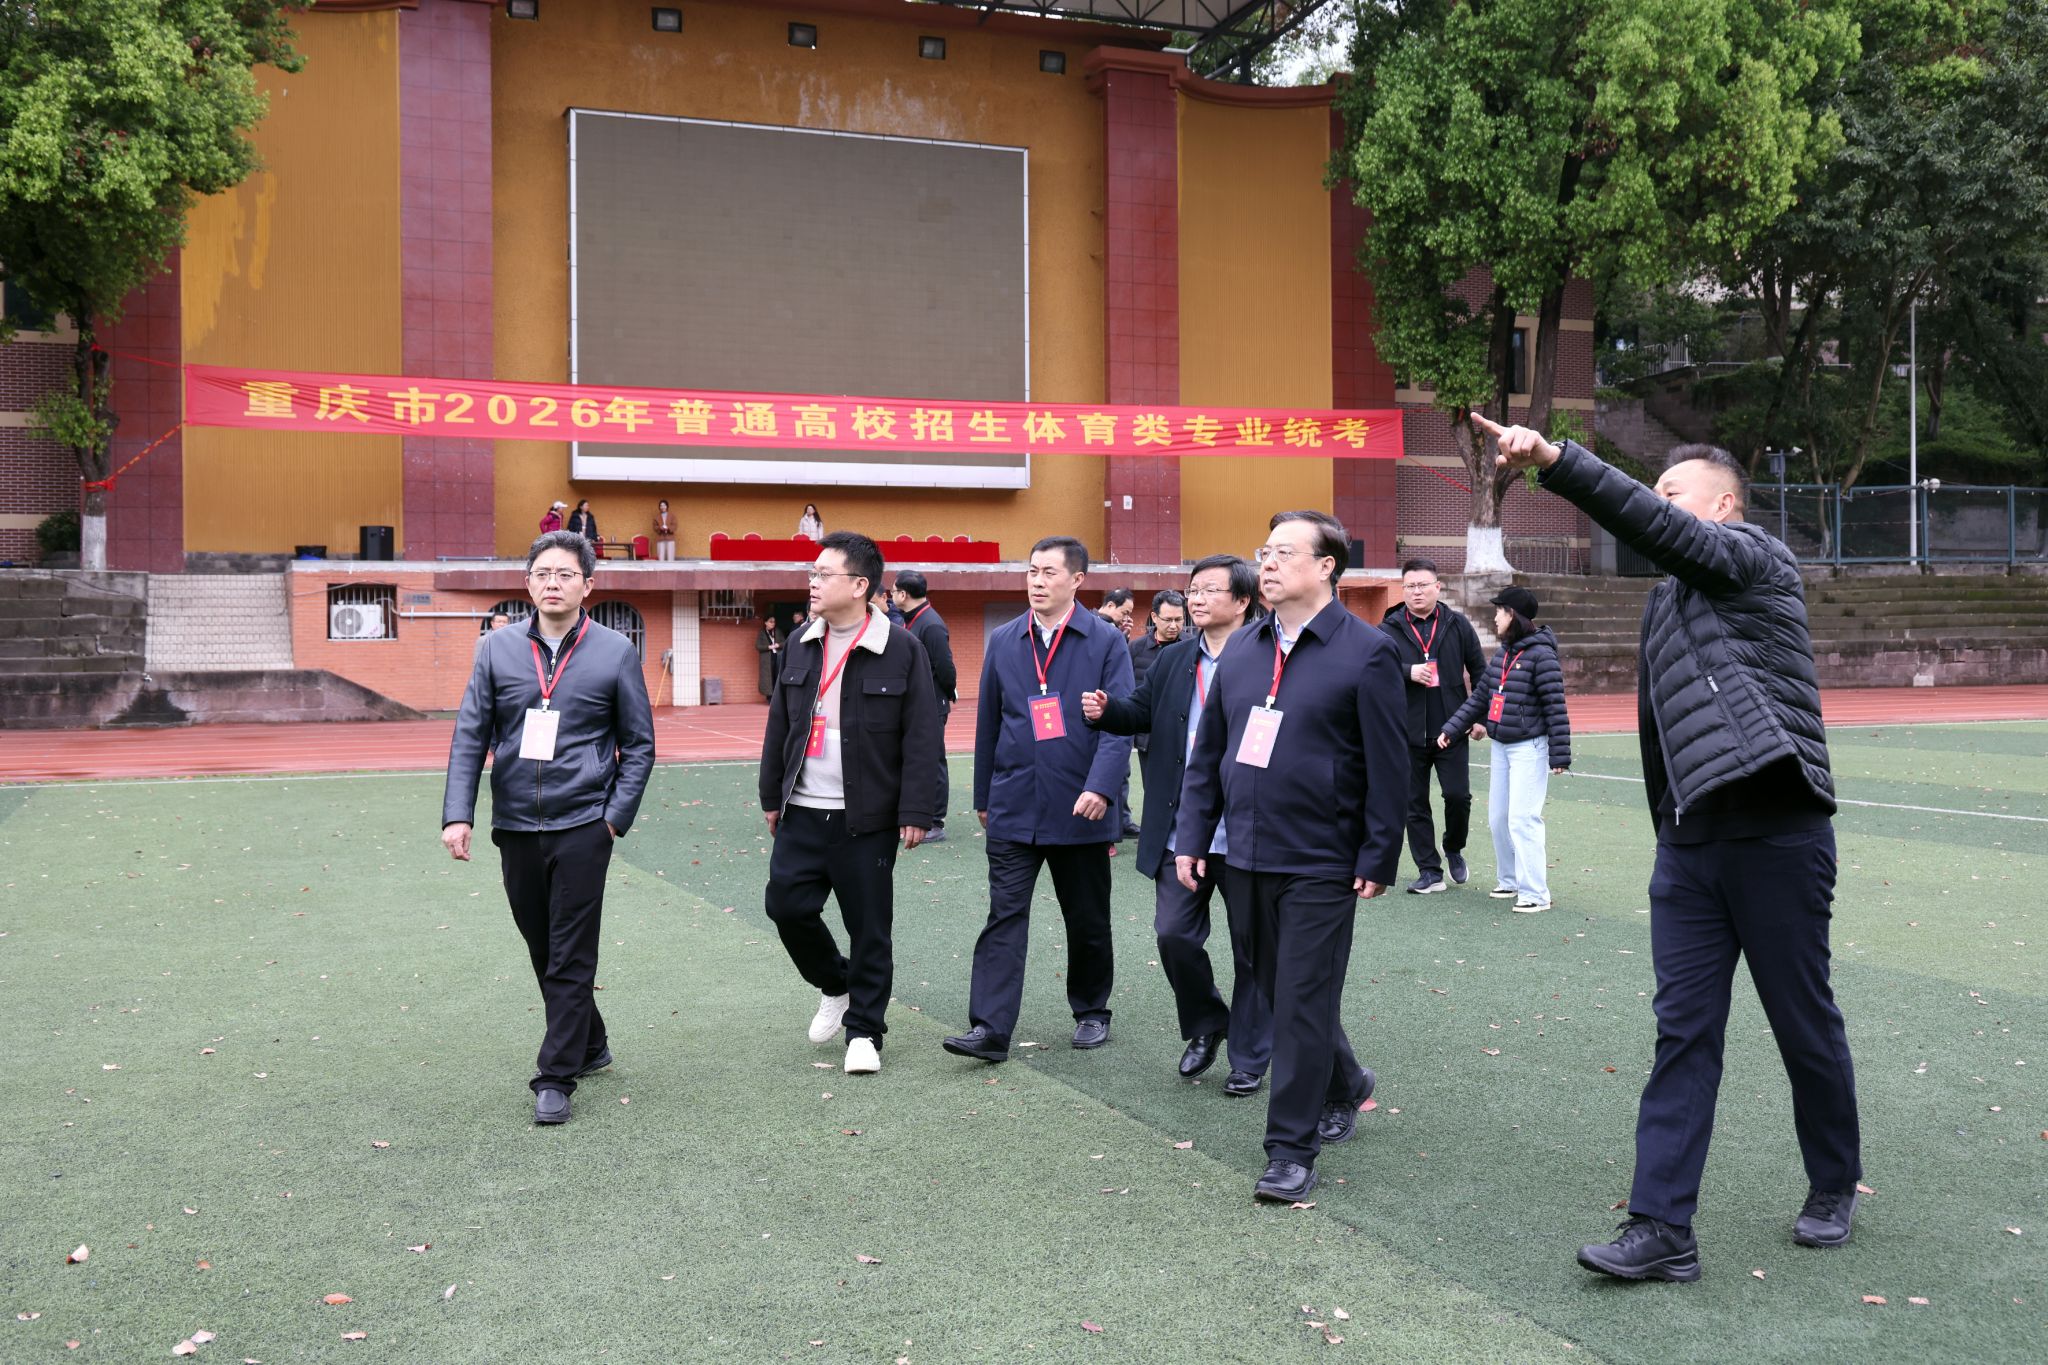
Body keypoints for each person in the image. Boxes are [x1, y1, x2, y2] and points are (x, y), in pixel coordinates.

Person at [1475, 413, 1862, 1283]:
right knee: (1683, 1033)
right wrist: (1669, 836)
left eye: (1672, 492)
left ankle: (1834, 1181)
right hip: (1691, 849)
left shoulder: (1758, 558)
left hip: (1777, 834)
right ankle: (1661, 1227)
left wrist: (1557, 461)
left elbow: (1662, 531)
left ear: (1723, 505)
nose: (1659, 505)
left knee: (1803, 1022)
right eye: (1657, 493)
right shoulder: (1666, 601)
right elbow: (1662, 733)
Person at [1175, 510, 1406, 1203]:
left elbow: (1389, 765)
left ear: (1326, 566)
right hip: (1244, 853)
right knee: (1281, 994)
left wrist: (1378, 853)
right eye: (1264, 552)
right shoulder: (1244, 648)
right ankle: (1346, 1081)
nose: (1267, 564)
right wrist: (1193, 835)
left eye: (1283, 552)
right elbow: (1209, 754)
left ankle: (1290, 1150)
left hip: (1322, 858)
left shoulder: (1367, 651)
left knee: (1303, 997)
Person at [440, 530, 656, 1126]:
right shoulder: (496, 649)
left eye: (565, 574)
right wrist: (459, 813)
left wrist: (613, 819)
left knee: (571, 951)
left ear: (588, 585)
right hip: (515, 824)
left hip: (584, 823)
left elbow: (639, 745)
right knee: (542, 944)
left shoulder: (615, 651)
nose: (553, 583)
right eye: (542, 573)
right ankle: (591, 1041)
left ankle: (556, 1075)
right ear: (527, 583)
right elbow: (470, 735)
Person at [758, 531, 945, 1075]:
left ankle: (865, 1031)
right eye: (812, 573)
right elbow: (779, 725)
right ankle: (835, 984)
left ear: (860, 585)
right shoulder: (801, 642)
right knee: (786, 908)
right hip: (802, 808)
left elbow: (922, 735)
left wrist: (917, 810)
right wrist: (772, 794)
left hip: (867, 818)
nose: (812, 583)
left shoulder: (901, 648)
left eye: (824, 574)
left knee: (869, 927)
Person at [942, 536, 1134, 1063]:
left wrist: (1102, 787)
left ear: (1077, 580)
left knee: (1086, 918)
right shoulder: (1005, 639)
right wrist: (984, 795)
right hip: (1014, 804)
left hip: (1080, 806)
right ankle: (989, 1028)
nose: (1038, 581)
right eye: (1032, 571)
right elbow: (988, 723)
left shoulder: (1105, 641)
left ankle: (1091, 1010)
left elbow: (1119, 722)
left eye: (1050, 572)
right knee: (1004, 916)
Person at [1083, 555, 1270, 1094]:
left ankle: (1250, 1055)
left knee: (1253, 948)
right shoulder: (1174, 657)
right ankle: (1208, 1022)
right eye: (1193, 589)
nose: (1197, 598)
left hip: (1247, 830)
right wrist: (1106, 710)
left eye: (1211, 589)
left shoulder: (1269, 657)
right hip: (1181, 828)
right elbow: (1140, 711)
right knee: (1173, 935)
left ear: (1243, 600)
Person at [1437, 585, 1570, 912]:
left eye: (1500, 611)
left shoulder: (1542, 655)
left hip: (1530, 747)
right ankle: (1510, 880)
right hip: (1502, 745)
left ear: (1515, 616)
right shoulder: (1504, 654)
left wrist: (1559, 754)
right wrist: (1451, 729)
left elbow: (1555, 706)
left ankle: (1536, 893)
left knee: (1523, 818)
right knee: (1498, 818)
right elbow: (1480, 698)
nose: (1495, 617)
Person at [1379, 558, 1486, 894]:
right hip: (1405, 731)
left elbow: (1480, 672)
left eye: (1423, 585)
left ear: (1437, 587)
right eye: (1410, 586)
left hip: (1451, 729)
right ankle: (1429, 870)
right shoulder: (1388, 628)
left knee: (1458, 796)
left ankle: (1453, 846)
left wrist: (1479, 717)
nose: (1417, 592)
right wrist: (1407, 671)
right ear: (1403, 589)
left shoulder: (1457, 624)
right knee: (1414, 804)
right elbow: (1373, 670)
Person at [893, 569, 958, 844]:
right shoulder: (911, 620)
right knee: (913, 758)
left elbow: (945, 667)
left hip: (932, 703)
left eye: (893, 591)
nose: (891, 595)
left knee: (933, 760)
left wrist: (946, 694)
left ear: (903, 594)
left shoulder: (931, 624)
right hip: (915, 703)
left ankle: (935, 821)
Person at [1126, 590, 1187, 691]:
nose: (1173, 626)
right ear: (1154, 617)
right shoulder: (1135, 647)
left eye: (1178, 620)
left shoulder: (1192, 645)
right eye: (1167, 620)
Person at [755, 615, 781, 699]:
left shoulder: (778, 632)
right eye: (770, 621)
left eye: (774, 622)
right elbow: (758, 646)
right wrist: (768, 647)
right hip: (767, 659)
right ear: (765, 623)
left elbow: (785, 642)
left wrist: (779, 645)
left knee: (777, 676)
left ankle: (777, 697)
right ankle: (769, 696)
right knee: (768, 678)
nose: (773, 623)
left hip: (777, 657)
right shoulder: (762, 633)